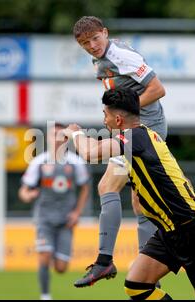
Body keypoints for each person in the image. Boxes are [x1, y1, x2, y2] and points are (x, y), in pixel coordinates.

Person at [64, 88, 195, 300]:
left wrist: (76, 133)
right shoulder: (144, 138)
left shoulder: (136, 138)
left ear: (118, 119)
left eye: (106, 114)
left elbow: (90, 153)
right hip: (171, 231)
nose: (104, 120)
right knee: (136, 285)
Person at [73, 16, 168, 287]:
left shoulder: (120, 55)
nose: (92, 45)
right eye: (84, 43)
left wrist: (125, 110)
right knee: (141, 202)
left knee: (107, 185)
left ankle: (104, 263)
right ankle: (149, 275)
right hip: (136, 126)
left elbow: (158, 89)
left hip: (144, 128)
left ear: (105, 33)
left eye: (95, 38)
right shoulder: (103, 57)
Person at [18, 123, 90, 300]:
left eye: (60, 135)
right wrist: (27, 195)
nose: (56, 139)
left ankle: (50, 250)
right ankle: (45, 296)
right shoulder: (39, 162)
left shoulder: (75, 162)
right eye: (53, 135)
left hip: (66, 219)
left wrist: (77, 213)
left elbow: (85, 187)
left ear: (66, 139)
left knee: (60, 268)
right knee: (44, 255)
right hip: (44, 218)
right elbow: (24, 190)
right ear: (48, 139)